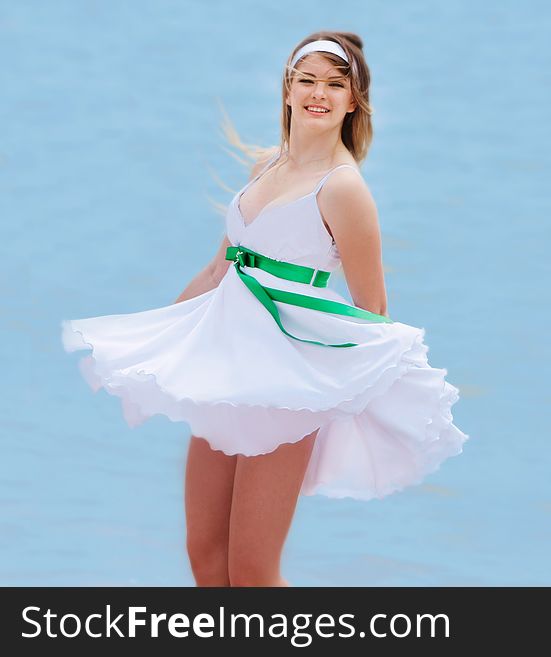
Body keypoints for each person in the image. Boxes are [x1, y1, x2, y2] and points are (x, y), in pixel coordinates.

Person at [60, 31, 469, 587]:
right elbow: (218, 270)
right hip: (227, 374)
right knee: (206, 554)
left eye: (335, 84)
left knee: (252, 571)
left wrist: (350, 398)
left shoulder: (344, 189)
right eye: (307, 81)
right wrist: (153, 344)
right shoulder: (264, 168)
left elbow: (371, 305)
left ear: (354, 102)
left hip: (287, 387)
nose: (318, 94)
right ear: (287, 89)